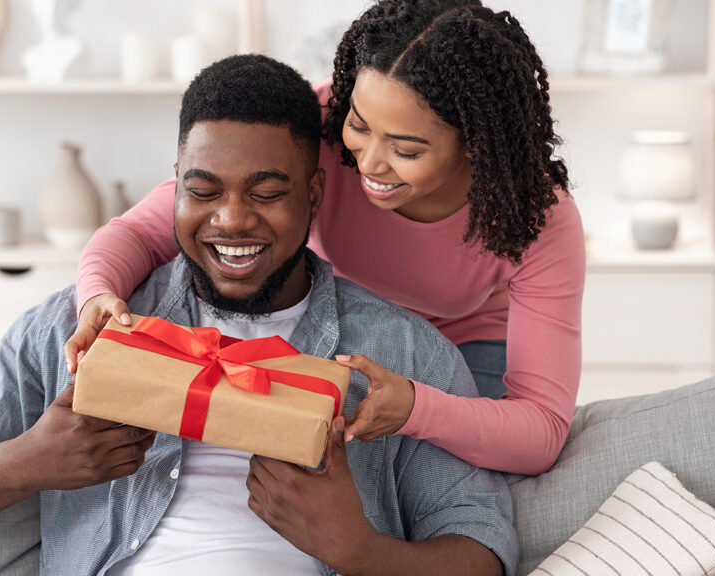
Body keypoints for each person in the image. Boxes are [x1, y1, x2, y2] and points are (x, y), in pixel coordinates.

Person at [0, 54, 517, 576]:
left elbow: (482, 550)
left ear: (314, 195)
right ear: (175, 185)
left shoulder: (404, 355)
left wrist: (357, 549)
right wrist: (28, 461)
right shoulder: (79, 328)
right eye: (204, 190)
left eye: (268, 193)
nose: (232, 219)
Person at [65, 0, 585, 476]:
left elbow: (538, 432)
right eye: (360, 125)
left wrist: (417, 408)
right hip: (341, 325)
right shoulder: (319, 125)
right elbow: (141, 230)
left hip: (462, 347)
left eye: (406, 149)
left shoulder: (536, 216)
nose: (368, 163)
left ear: (476, 144)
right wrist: (97, 295)